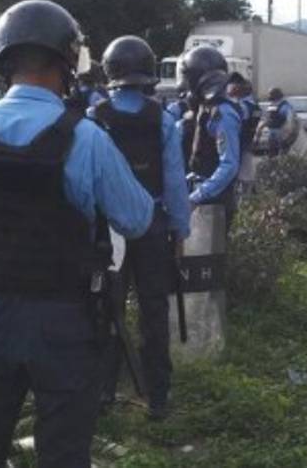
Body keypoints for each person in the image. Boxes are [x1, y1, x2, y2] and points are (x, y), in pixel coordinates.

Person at [0, 0, 155, 468]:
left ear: (4, 61)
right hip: (63, 318)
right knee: (63, 451)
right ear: (65, 62)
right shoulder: (86, 137)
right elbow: (136, 219)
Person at [90, 35, 190, 421]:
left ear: (110, 72)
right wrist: (179, 231)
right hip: (152, 227)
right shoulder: (164, 120)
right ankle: (158, 398)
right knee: (154, 310)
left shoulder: (94, 119)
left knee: (105, 309)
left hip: (109, 230)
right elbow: (176, 184)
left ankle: (103, 392)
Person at [180, 45, 242, 227]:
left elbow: (229, 165)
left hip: (214, 202)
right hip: (202, 196)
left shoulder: (223, 114)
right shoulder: (205, 109)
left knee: (208, 255)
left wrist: (198, 196)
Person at [259, 87, 292, 157]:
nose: (269, 96)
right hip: (272, 133)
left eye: (270, 94)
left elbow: (288, 119)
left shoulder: (284, 105)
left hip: (281, 132)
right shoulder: (273, 104)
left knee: (282, 154)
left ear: (276, 95)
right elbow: (269, 117)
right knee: (272, 153)